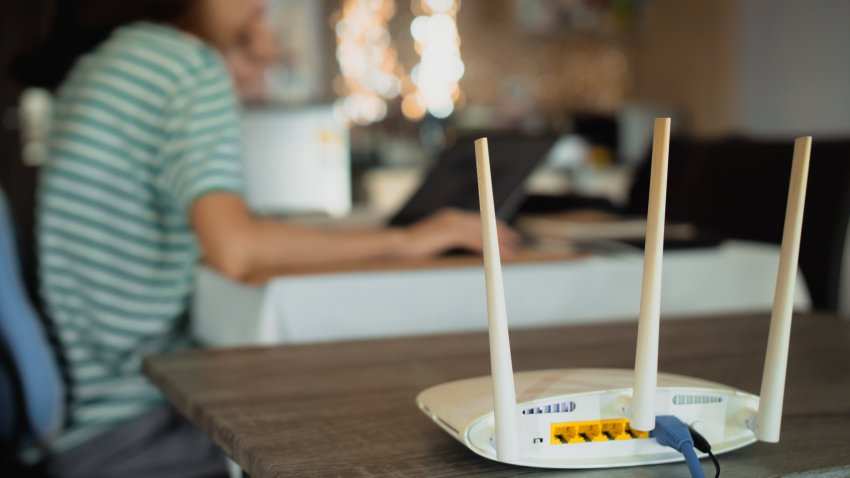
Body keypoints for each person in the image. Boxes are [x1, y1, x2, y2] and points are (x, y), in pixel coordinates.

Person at [22, 0, 518, 476]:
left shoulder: (106, 63)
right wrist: (406, 242)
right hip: (139, 429)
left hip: (93, 420)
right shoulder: (183, 63)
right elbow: (237, 249)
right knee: (408, 432)